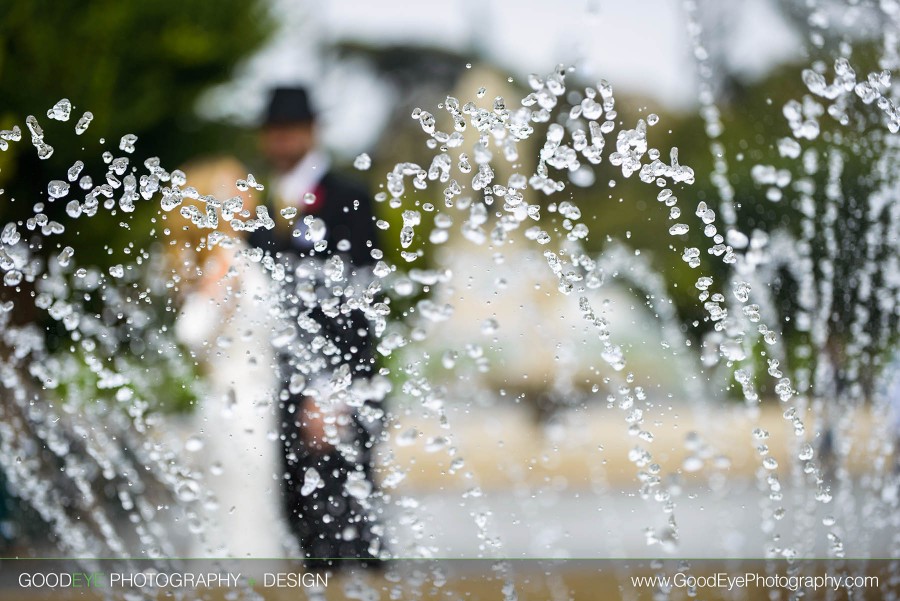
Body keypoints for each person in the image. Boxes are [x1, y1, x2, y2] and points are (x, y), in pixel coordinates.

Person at [249, 86, 384, 570]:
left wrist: (331, 389)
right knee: (298, 510)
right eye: (274, 132)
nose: (282, 142)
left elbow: (359, 300)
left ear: (311, 132)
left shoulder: (348, 197)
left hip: (337, 381)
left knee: (347, 509)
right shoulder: (258, 203)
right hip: (278, 378)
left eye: (291, 131)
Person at [167, 157, 286, 558]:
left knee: (237, 521)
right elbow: (192, 330)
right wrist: (222, 294)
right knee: (244, 526)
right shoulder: (226, 258)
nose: (249, 190)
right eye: (235, 185)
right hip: (241, 406)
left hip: (246, 401)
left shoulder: (232, 252)